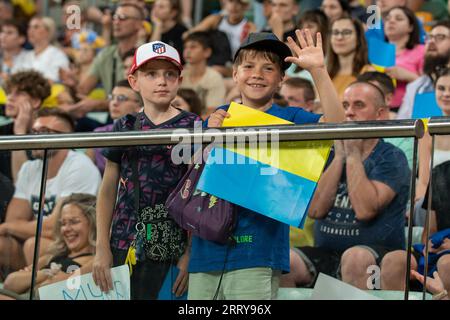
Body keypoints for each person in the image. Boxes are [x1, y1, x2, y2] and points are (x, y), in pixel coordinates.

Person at [188, 30, 345, 300]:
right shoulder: (219, 116)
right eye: (248, 66)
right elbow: (191, 171)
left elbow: (339, 126)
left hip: (258, 253)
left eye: (268, 68)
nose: (257, 74)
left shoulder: (291, 116)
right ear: (235, 74)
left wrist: (318, 70)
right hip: (206, 252)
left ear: (281, 79)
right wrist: (206, 138)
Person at [93, 41, 200, 300]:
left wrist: (190, 252)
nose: (161, 81)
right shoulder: (125, 125)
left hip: (171, 241)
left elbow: (198, 192)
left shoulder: (192, 124)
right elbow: (108, 188)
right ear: (134, 81)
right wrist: (101, 246)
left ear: (179, 80)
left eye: (169, 74)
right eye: (151, 74)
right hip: (123, 238)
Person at [280, 81, 411, 290]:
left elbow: (365, 210)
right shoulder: (330, 154)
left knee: (355, 258)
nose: (349, 113)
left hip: (375, 253)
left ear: (380, 114)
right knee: (282, 261)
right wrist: (340, 155)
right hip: (327, 254)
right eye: (345, 105)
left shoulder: (392, 157)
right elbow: (315, 210)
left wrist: (352, 155)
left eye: (359, 105)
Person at [0, 108, 101, 274]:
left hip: (76, 245)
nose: (34, 137)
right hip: (41, 242)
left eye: (44, 132)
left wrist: (9, 227)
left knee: (33, 244)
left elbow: (55, 227)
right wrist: (12, 227)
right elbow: (14, 218)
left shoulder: (79, 166)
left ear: (65, 137)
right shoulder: (29, 168)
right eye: (33, 131)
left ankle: (35, 289)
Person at [2, 193, 97, 296]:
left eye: (74, 222)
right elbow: (10, 283)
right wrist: (47, 273)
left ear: (93, 223)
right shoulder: (52, 257)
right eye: (63, 223)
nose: (67, 229)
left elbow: (46, 290)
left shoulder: (96, 261)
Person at [0, 70, 51, 183]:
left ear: (35, 102)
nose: (10, 98)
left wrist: (19, 132)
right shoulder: (1, 132)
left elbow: (27, 186)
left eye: (19, 94)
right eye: (8, 93)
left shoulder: (50, 133)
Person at [86, 79, 142, 175]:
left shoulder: (146, 133)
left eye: (121, 98)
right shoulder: (98, 133)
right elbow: (85, 172)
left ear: (139, 105)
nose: (114, 103)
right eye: (112, 97)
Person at [397, 20, 450, 120]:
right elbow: (402, 128)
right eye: (429, 37)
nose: (431, 41)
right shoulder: (416, 87)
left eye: (440, 37)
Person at [383, 6, 425, 110]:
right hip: (379, 109)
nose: (391, 21)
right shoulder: (377, 53)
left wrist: (409, 76)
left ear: (410, 27)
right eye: (388, 18)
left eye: (398, 18)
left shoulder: (422, 50)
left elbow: (429, 88)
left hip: (409, 110)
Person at [180, 31, 226, 114]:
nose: (187, 51)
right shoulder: (179, 75)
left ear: (207, 52)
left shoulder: (214, 78)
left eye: (193, 47)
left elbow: (212, 113)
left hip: (203, 125)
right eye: (185, 47)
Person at [327, 17, 373, 98]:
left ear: (359, 38)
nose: (339, 37)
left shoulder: (369, 73)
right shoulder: (324, 73)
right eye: (335, 32)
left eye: (346, 32)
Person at [23, 16, 70, 83]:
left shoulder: (58, 55)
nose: (30, 31)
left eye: (36, 27)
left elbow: (58, 81)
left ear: (48, 31)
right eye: (29, 27)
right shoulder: (25, 55)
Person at [0, 20, 29, 85]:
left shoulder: (30, 58)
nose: (3, 36)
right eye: (2, 32)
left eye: (9, 33)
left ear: (21, 39)